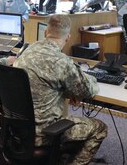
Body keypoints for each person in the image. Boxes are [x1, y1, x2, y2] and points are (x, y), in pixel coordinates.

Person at [13, 15, 107, 164]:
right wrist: (87, 81)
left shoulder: (27, 52)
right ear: (68, 37)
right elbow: (88, 90)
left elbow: (41, 83)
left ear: (45, 33)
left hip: (16, 130)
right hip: (44, 133)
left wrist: (68, 91)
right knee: (100, 128)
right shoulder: (61, 62)